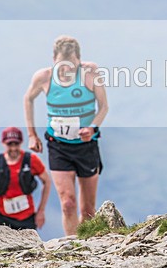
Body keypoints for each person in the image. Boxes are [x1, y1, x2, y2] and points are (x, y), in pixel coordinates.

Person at [24, 36, 108, 236]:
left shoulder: (91, 73)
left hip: (86, 146)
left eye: (72, 66)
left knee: (87, 208)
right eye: (63, 66)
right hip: (58, 145)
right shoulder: (43, 77)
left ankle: (88, 245)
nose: (67, 71)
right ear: (54, 59)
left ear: (79, 60)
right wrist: (32, 135)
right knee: (67, 203)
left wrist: (93, 128)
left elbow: (104, 107)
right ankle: (72, 247)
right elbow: (28, 99)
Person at [0, 127, 51, 230]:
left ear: (21, 143)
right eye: (9, 144)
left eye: (16, 144)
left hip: (27, 217)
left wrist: (41, 210)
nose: (13, 148)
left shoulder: (31, 160)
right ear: (3, 143)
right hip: (2, 217)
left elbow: (47, 181)